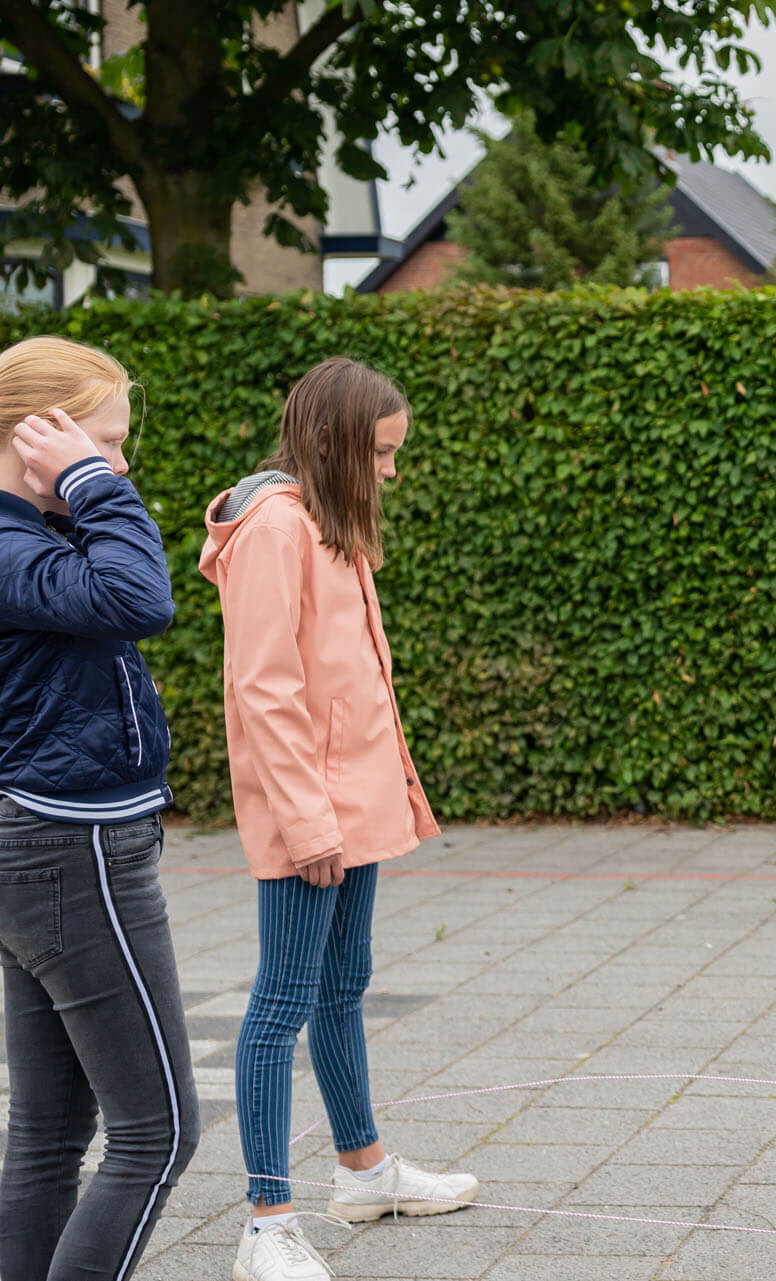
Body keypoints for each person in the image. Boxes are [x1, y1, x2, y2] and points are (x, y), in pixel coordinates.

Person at [200, 357, 474, 1279]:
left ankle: (363, 1171)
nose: (392, 470)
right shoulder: (276, 528)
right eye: (382, 452)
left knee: (342, 982)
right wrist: (310, 822)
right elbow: (265, 688)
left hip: (352, 803)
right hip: (307, 815)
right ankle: (266, 1221)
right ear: (330, 443)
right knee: (280, 1003)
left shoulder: (329, 521)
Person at [0, 336, 199, 1281]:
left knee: (47, 1133)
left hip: (38, 843)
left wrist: (79, 486)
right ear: (33, 434)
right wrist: (89, 481)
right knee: (156, 1136)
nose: (120, 464)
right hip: (69, 844)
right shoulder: (8, 541)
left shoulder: (29, 534)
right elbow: (139, 597)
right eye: (104, 442)